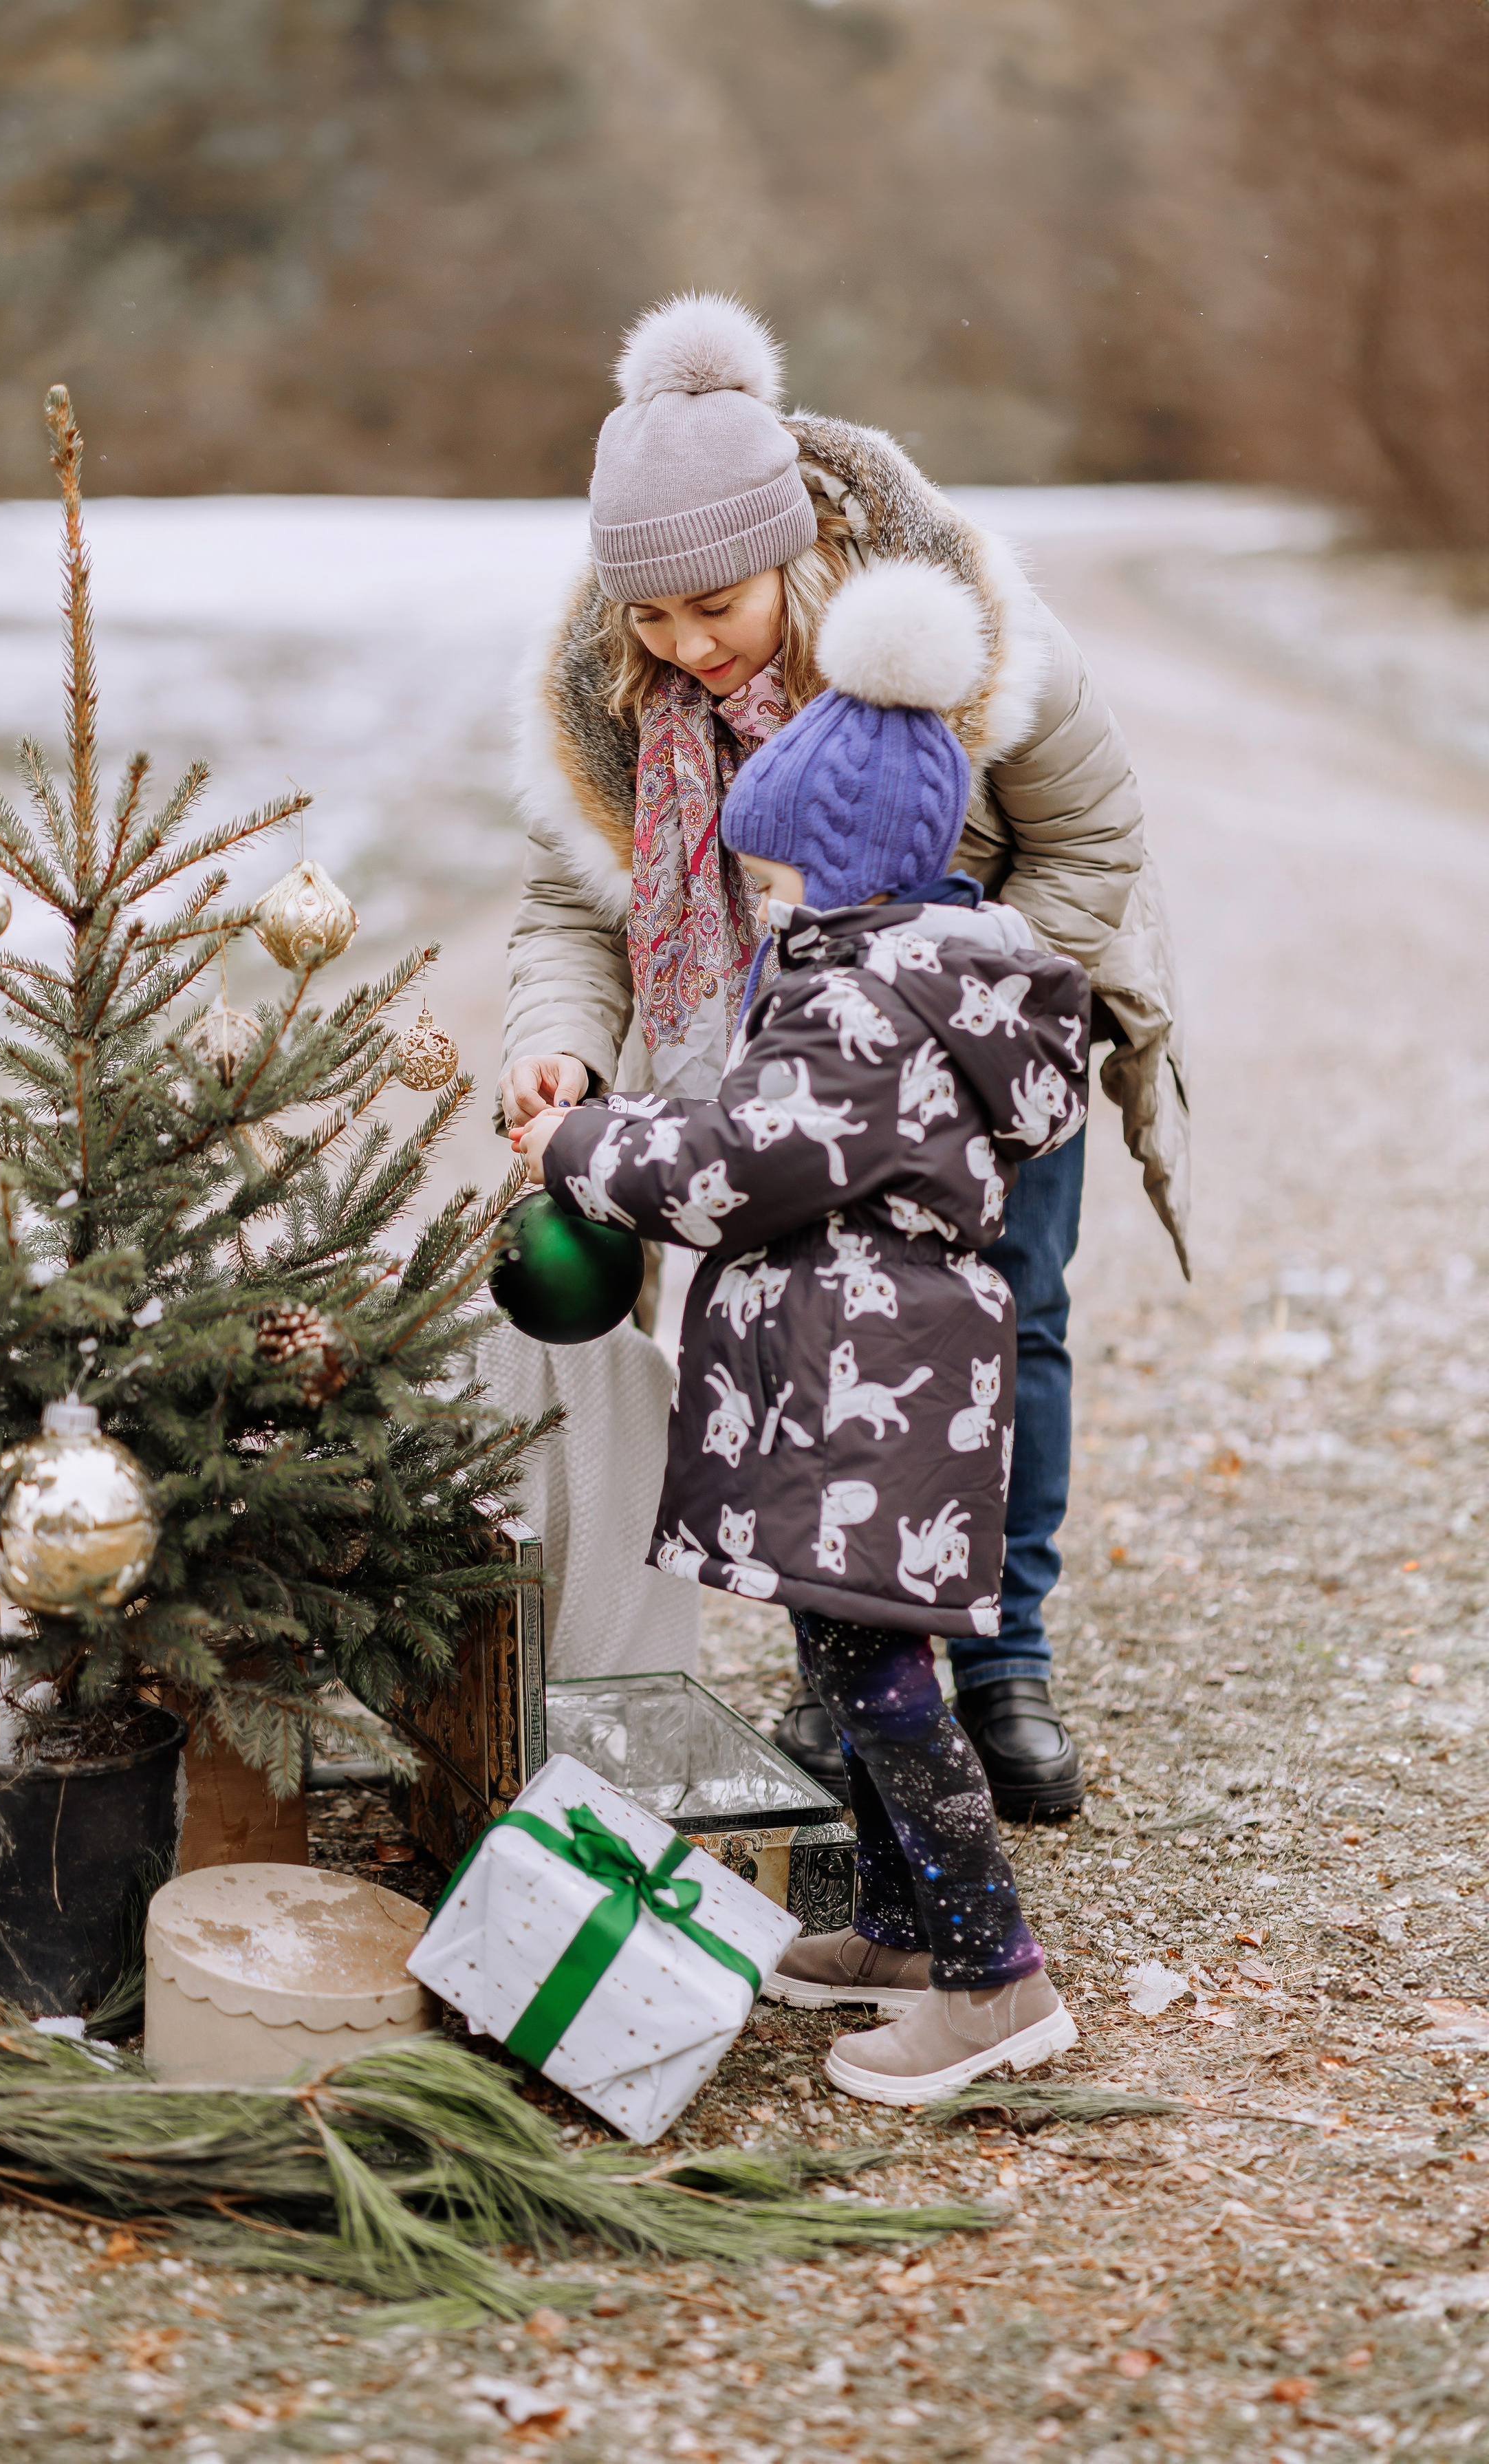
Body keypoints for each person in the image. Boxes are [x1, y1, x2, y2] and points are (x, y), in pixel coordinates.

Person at [497, 290, 1188, 1822]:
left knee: (1005, 1318)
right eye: (649, 620)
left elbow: (1094, 841)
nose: (680, 645)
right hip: (772, 1049)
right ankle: (851, 1670)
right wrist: (559, 1059)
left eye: (716, 612)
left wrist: (951, 1017)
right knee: (815, 1335)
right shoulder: (610, 702)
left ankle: (1001, 1655)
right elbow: (567, 909)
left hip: (986, 1025)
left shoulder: (964, 632)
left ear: (795, 551)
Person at [510, 565, 1085, 2097]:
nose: (753, 903)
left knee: (885, 1686)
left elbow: (724, 1169)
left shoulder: (856, 1009)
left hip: (861, 1386)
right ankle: (900, 1931)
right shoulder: (920, 985)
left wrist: (582, 1152)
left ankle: (992, 1984)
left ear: (832, 872)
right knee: (848, 1658)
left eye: (766, 880)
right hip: (873, 1378)